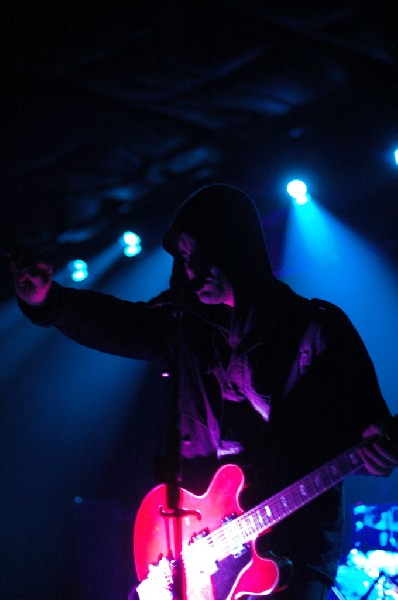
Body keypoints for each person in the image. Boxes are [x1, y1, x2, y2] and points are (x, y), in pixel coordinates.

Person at [11, 184, 398, 600]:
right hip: (203, 547)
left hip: (293, 550)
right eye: (182, 257)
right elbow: (119, 324)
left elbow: (374, 432)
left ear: (235, 247)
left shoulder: (317, 328)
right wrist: (49, 301)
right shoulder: (187, 327)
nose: (190, 268)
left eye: (199, 252)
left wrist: (381, 449)